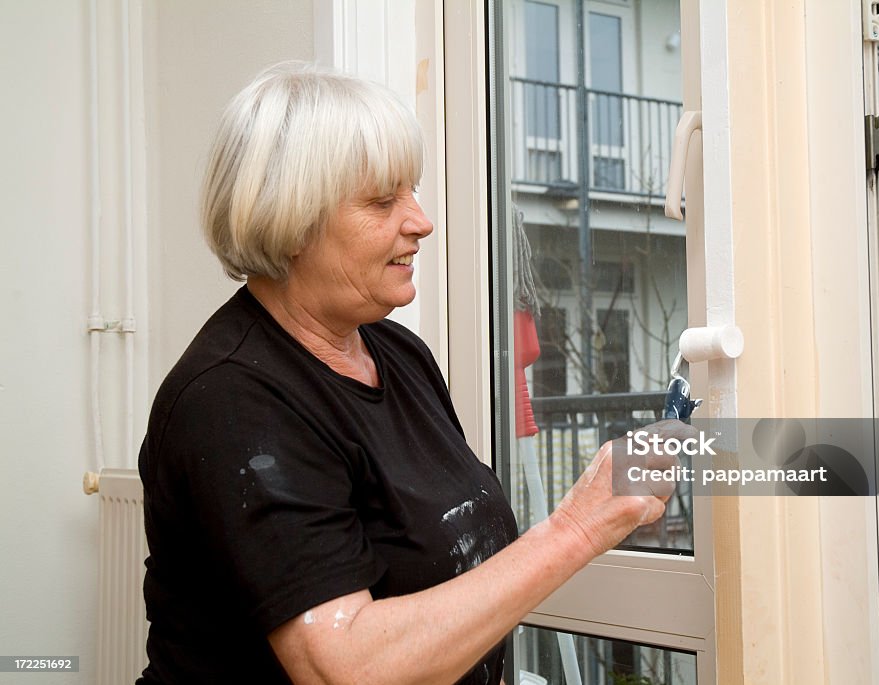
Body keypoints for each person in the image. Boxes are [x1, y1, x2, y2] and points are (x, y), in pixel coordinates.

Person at [137, 62, 692, 685]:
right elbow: (344, 667)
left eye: (413, 190)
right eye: (382, 201)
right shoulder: (231, 401)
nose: (421, 221)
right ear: (290, 222)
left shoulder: (398, 352)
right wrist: (577, 527)